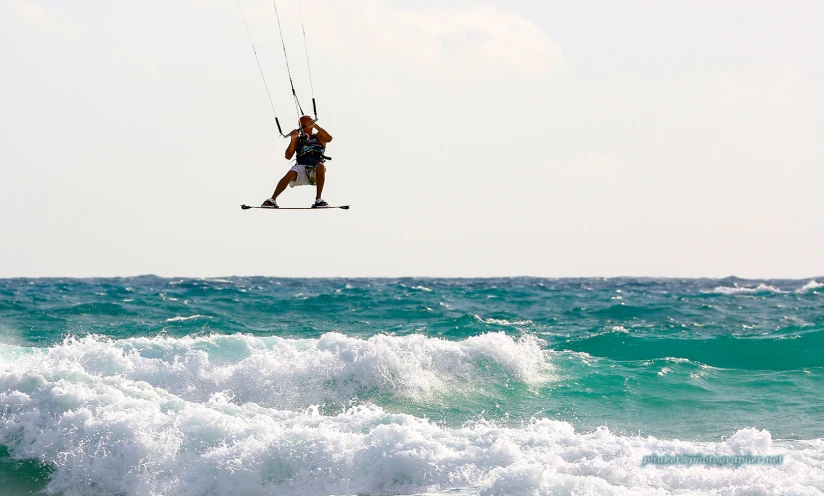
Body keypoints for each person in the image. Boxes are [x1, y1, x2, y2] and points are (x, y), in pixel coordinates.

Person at [261, 115, 334, 208]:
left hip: (315, 170)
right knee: (291, 173)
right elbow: (288, 156)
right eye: (303, 123)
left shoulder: (319, 136)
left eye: (308, 121)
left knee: (321, 166)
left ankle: (318, 200)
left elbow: (329, 139)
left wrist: (316, 126)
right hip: (301, 168)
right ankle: (272, 200)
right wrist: (293, 139)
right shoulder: (299, 139)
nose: (306, 124)